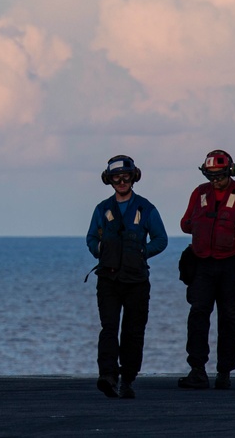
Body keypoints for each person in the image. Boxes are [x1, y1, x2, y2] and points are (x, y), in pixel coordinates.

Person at [178, 150, 235, 390]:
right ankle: (197, 370)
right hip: (202, 265)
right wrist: (200, 227)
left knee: (230, 317)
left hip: (231, 266)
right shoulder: (199, 193)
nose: (215, 180)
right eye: (211, 176)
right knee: (198, 315)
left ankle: (224, 373)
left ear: (230, 172)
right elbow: (184, 222)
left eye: (219, 176)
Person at [86, 155, 168, 399]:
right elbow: (91, 238)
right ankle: (108, 376)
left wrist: (143, 253)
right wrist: (99, 250)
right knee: (109, 328)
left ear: (134, 178)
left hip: (136, 281)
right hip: (108, 280)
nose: (121, 182)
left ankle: (128, 379)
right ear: (109, 180)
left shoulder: (146, 208)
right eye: (116, 178)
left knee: (133, 331)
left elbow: (161, 240)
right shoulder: (102, 209)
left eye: (126, 177)